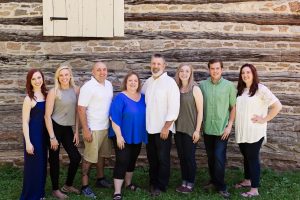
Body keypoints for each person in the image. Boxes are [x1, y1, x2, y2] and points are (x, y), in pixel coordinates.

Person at [234, 64, 282, 198]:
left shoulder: (261, 89)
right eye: (243, 73)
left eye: (248, 72)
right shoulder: (241, 90)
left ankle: (254, 189)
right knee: (246, 157)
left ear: (253, 74)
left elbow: (277, 106)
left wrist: (264, 119)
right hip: (242, 130)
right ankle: (247, 180)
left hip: (254, 131)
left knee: (253, 158)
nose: (245, 75)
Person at [142, 53, 180, 197]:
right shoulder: (148, 82)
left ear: (164, 66)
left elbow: (174, 107)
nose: (155, 66)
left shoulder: (170, 83)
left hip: (163, 129)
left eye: (159, 64)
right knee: (152, 157)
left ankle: (161, 185)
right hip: (149, 128)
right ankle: (153, 182)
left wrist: (166, 127)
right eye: (153, 63)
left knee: (163, 158)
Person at [199, 59, 236, 198]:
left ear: (222, 69)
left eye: (217, 68)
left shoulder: (229, 86)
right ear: (209, 70)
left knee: (219, 157)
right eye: (212, 68)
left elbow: (233, 107)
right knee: (211, 157)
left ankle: (221, 186)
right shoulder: (202, 86)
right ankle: (213, 181)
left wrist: (229, 126)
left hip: (222, 130)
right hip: (208, 129)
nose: (215, 71)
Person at [45, 65, 81, 199]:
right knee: (54, 159)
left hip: (67, 128)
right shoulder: (53, 91)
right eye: (61, 75)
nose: (64, 77)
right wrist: (52, 137)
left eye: (66, 74)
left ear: (70, 75)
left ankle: (68, 185)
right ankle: (55, 189)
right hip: (54, 127)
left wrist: (77, 131)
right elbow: (47, 116)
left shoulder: (76, 90)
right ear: (58, 77)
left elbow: (77, 112)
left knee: (76, 157)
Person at [109, 71, 147, 200]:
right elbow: (114, 118)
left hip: (136, 134)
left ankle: (128, 183)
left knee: (132, 160)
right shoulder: (120, 97)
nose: (133, 83)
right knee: (122, 160)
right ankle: (117, 191)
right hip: (121, 135)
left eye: (135, 81)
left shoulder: (143, 98)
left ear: (138, 83)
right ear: (126, 82)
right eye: (130, 80)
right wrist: (119, 136)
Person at [78, 62, 113, 199]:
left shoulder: (108, 84)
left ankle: (100, 179)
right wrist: (86, 129)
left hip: (105, 127)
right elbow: (81, 109)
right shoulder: (88, 87)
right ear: (93, 72)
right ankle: (84, 186)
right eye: (98, 70)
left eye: (104, 69)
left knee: (101, 156)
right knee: (89, 158)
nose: (102, 72)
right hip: (92, 129)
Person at [174, 64, 203, 194]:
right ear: (178, 73)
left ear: (191, 73)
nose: (184, 73)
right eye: (182, 71)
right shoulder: (176, 88)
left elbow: (200, 111)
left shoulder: (195, 89)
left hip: (191, 129)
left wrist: (197, 130)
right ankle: (184, 181)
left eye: (187, 71)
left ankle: (190, 183)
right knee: (182, 157)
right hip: (178, 129)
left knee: (189, 158)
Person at [20, 69, 48, 200]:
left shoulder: (47, 95)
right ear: (30, 82)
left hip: (44, 136)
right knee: (33, 167)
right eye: (34, 79)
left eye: (39, 78)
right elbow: (25, 122)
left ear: (42, 79)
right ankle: (31, 195)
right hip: (33, 136)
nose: (37, 81)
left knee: (42, 165)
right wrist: (28, 142)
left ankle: (40, 193)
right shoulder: (29, 99)